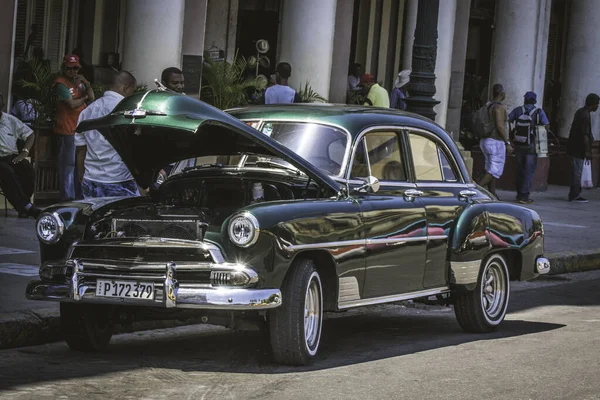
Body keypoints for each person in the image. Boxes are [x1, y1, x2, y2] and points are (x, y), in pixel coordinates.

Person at [76, 71, 139, 199]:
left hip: (91, 179)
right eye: (133, 90)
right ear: (126, 88)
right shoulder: (129, 112)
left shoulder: (87, 111)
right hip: (120, 179)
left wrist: (82, 176)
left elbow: (81, 149)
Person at [54, 54, 95, 201]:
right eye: (70, 68)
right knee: (68, 166)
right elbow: (71, 104)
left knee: (80, 165)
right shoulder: (61, 83)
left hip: (79, 129)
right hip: (67, 129)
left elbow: (93, 98)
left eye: (76, 68)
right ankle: (67, 198)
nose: (73, 71)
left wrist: (87, 84)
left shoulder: (79, 82)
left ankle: (79, 196)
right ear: (64, 68)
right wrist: (84, 98)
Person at [0, 93, 40, 218]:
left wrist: (25, 152)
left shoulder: (10, 120)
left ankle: (23, 206)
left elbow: (30, 134)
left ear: (2, 105)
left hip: (10, 156)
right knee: (6, 171)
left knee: (27, 168)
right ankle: (27, 207)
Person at [508, 91, 550, 204]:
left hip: (518, 144)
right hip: (532, 145)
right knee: (529, 171)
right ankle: (524, 196)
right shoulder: (538, 112)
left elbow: (507, 120)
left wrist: (510, 136)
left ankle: (519, 194)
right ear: (534, 101)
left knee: (519, 169)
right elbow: (546, 125)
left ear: (525, 99)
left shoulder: (517, 110)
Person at [477, 83, 512, 197]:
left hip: (485, 140)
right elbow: (500, 126)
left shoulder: (488, 105)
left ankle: (492, 194)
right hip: (495, 141)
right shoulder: (499, 107)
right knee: (494, 170)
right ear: (502, 93)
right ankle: (475, 191)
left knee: (490, 168)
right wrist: (507, 142)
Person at [566, 93, 599, 203]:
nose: (598, 106)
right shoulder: (584, 115)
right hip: (578, 148)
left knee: (576, 171)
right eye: (597, 104)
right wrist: (588, 150)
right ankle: (575, 194)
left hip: (575, 147)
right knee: (577, 172)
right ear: (593, 104)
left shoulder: (581, 112)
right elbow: (584, 135)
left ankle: (575, 193)